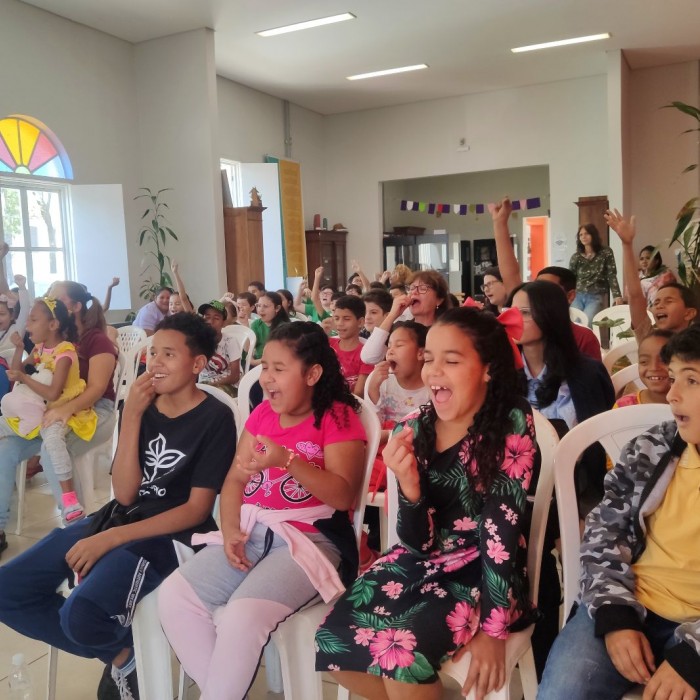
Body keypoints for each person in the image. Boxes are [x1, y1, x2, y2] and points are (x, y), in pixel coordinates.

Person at [0, 312, 236, 699]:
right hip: (119, 517)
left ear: (197, 364)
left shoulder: (215, 417)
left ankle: (119, 646)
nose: (155, 363)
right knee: (9, 590)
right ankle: (125, 654)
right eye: (152, 353)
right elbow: (126, 495)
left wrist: (111, 540)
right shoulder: (141, 405)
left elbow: (195, 511)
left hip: (170, 537)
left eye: (168, 355)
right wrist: (134, 415)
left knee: (80, 616)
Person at [316, 306, 537, 699]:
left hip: (485, 572)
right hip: (421, 561)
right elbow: (416, 543)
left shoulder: (511, 422)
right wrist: (410, 488)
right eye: (429, 358)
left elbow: (500, 531)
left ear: (487, 368)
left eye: (451, 361)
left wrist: (493, 629)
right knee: (332, 642)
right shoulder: (413, 429)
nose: (434, 371)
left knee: (400, 656)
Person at [157, 321, 367, 699]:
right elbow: (235, 481)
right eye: (265, 366)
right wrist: (230, 531)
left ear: (313, 373)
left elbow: (342, 496)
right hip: (252, 533)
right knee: (175, 596)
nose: (266, 378)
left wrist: (287, 459)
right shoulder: (262, 416)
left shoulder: (337, 417)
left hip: (311, 541)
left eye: (279, 369)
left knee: (240, 616)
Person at [538, 324, 700, 700]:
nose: (672, 395)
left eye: (691, 381)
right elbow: (604, 532)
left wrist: (693, 657)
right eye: (674, 378)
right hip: (632, 601)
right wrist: (615, 617)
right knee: (564, 691)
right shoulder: (654, 447)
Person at [0, 281, 118, 558]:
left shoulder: (95, 339)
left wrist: (65, 409)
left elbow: (97, 389)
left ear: (74, 308)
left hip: (94, 411)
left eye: (56, 299)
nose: (48, 302)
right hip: (49, 410)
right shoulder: (46, 344)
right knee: (5, 450)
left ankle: (77, 531)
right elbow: (29, 372)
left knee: (49, 449)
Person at [1, 297, 98, 523]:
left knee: (53, 442)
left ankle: (70, 498)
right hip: (40, 412)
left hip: (64, 411)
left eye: (33, 320)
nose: (27, 325)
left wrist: (25, 377)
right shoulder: (39, 348)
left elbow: (54, 393)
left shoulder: (65, 352)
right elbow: (14, 374)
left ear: (53, 325)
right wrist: (18, 350)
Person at [490, 198, 602, 361]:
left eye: (547, 290)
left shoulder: (583, 338)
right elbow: (510, 275)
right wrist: (499, 224)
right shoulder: (525, 332)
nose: (537, 295)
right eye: (537, 287)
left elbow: (590, 380)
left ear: (569, 296)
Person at [605, 209, 697, 343]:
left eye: (669, 301)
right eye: (656, 302)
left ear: (688, 313)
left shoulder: (695, 345)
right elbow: (636, 296)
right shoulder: (648, 337)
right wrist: (627, 244)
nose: (659, 306)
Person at [361, 270, 452, 365]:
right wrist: (392, 315)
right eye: (411, 288)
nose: (414, 292)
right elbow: (368, 357)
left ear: (439, 300)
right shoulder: (401, 328)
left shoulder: (446, 331)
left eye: (422, 288)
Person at [569, 223, 623, 325]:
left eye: (586, 233)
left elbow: (611, 274)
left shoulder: (606, 252)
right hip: (578, 295)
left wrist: (617, 295)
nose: (583, 237)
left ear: (593, 235)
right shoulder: (576, 257)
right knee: (574, 323)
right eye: (581, 235)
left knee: (587, 322)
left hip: (596, 295)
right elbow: (570, 278)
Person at [614, 330, 673, 407]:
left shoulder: (691, 404)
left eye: (664, 360)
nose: (654, 368)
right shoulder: (623, 406)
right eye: (644, 361)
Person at [330, 295, 374, 397]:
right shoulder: (328, 345)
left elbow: (358, 393)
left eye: (346, 319)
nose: (340, 323)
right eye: (336, 318)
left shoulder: (366, 355)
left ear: (360, 322)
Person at [197, 300, 241, 396]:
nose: (210, 322)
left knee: (211, 397)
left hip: (228, 385)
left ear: (223, 322)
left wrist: (213, 384)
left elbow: (235, 376)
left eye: (216, 318)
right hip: (203, 385)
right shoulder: (198, 341)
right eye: (207, 317)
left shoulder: (230, 342)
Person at [248, 291, 290, 367]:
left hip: (276, 364)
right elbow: (248, 348)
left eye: (265, 306)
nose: (261, 309)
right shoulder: (256, 324)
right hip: (258, 364)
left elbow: (280, 356)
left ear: (277, 308)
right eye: (258, 305)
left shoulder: (284, 327)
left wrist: (253, 362)